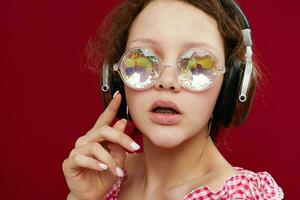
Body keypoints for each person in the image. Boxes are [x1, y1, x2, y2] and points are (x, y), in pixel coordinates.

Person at [62, 0, 284, 199]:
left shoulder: (243, 196)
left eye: (197, 66)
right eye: (143, 60)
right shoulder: (102, 175)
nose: (167, 81)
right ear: (116, 79)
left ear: (230, 85)